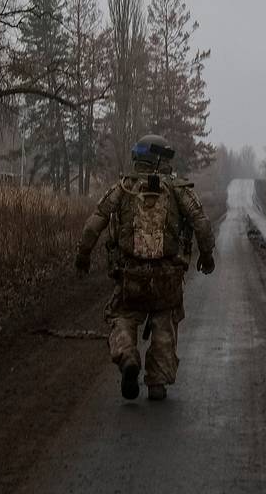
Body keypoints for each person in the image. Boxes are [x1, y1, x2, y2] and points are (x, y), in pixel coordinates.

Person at [74, 134, 215, 401]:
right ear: (161, 159)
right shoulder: (179, 189)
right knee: (165, 322)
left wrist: (83, 255)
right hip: (167, 277)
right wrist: (207, 256)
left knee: (122, 317)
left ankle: (128, 356)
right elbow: (201, 223)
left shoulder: (124, 187)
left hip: (131, 275)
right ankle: (157, 382)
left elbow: (95, 223)